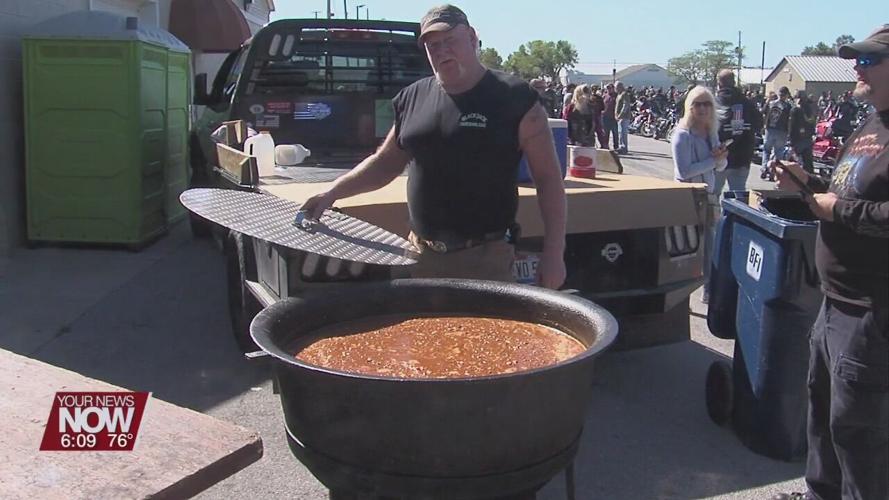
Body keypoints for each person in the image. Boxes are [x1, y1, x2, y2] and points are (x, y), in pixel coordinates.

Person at [301, 4, 567, 292]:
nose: (441, 51)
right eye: (433, 45)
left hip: (485, 259)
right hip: (420, 255)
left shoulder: (515, 98)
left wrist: (554, 253)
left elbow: (548, 180)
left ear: (472, 38)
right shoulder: (412, 98)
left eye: (449, 40)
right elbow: (385, 163)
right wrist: (332, 193)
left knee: (482, 325)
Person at [770, 24, 889, 500]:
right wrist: (807, 183)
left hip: (871, 313)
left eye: (870, 60)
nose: (857, 68)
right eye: (857, 59)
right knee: (822, 419)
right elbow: (845, 192)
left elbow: (854, 209)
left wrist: (836, 210)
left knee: (859, 439)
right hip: (834, 304)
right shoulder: (871, 125)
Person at [670, 86, 728, 304]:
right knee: (686, 250)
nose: (703, 109)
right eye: (698, 104)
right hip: (687, 198)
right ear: (690, 107)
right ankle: (679, 297)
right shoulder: (682, 135)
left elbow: (720, 167)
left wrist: (721, 158)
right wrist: (713, 161)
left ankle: (709, 292)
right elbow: (684, 171)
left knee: (710, 249)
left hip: (709, 197)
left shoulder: (711, 132)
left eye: (707, 104)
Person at [715, 69, 762, 193]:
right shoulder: (747, 103)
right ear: (734, 82)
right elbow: (759, 124)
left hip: (719, 156)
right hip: (743, 156)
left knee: (712, 196)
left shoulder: (714, 103)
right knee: (738, 197)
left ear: (719, 84)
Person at [761, 86, 793, 180]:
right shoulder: (788, 106)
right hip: (782, 131)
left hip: (770, 129)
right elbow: (790, 120)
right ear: (787, 95)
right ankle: (773, 172)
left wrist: (764, 126)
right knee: (779, 153)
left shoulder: (771, 103)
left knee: (766, 150)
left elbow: (764, 112)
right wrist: (789, 132)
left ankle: (764, 168)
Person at [789, 90, 817, 174]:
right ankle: (810, 177)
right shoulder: (810, 109)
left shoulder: (795, 110)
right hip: (808, 138)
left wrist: (791, 141)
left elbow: (792, 126)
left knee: (794, 162)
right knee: (808, 162)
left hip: (798, 139)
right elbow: (813, 123)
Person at [614, 81, 632, 154]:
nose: (615, 89)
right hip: (619, 117)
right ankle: (621, 146)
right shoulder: (619, 94)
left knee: (623, 133)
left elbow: (625, 105)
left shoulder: (624, 94)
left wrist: (621, 115)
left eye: (616, 87)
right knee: (620, 132)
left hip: (624, 117)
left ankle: (624, 147)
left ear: (620, 87)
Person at [602, 82, 619, 150]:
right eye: (607, 88)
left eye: (610, 88)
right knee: (606, 133)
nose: (609, 89)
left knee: (615, 133)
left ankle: (616, 146)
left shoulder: (617, 96)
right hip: (605, 117)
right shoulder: (604, 96)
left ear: (613, 88)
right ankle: (605, 146)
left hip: (614, 117)